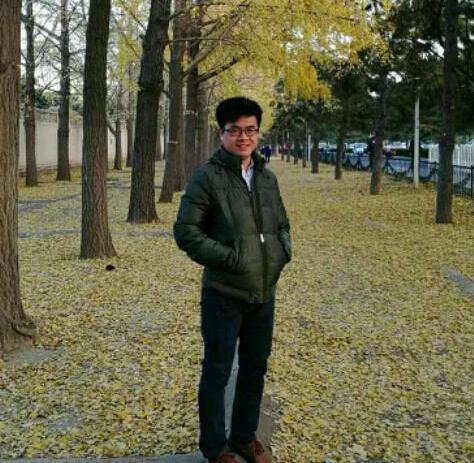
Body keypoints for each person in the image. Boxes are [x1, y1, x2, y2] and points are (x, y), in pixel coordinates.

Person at [174, 97, 291, 463]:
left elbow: (282, 224)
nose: (244, 137)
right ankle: (214, 447)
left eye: (250, 130)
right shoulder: (207, 178)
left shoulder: (267, 178)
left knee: (255, 367)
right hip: (223, 293)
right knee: (218, 370)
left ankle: (243, 437)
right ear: (222, 133)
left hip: (262, 292)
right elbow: (186, 231)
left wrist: (282, 252)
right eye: (235, 130)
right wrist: (231, 258)